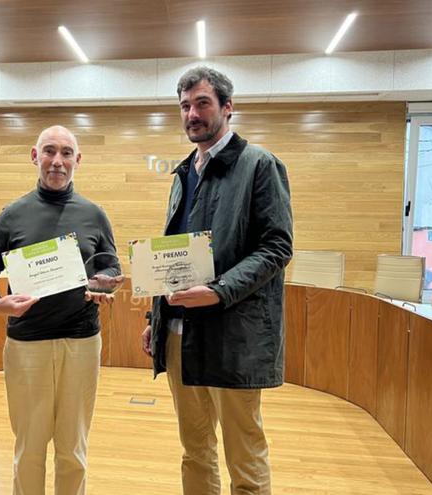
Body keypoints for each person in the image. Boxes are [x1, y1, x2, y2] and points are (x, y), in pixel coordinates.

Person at [141, 66, 293, 495]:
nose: (192, 113)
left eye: (202, 103)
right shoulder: (184, 172)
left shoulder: (260, 165)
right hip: (178, 334)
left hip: (234, 336)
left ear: (228, 107)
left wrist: (217, 291)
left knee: (244, 455)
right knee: (195, 450)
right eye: (185, 105)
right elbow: (175, 255)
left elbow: (276, 248)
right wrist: (156, 317)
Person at [0, 125, 120, 495]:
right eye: (49, 151)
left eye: (66, 153)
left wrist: (104, 281)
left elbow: (112, 266)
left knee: (73, 451)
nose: (57, 161)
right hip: (27, 346)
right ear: (35, 157)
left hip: (81, 344)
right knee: (29, 451)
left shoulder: (94, 214)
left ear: (77, 160)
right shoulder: (13, 214)